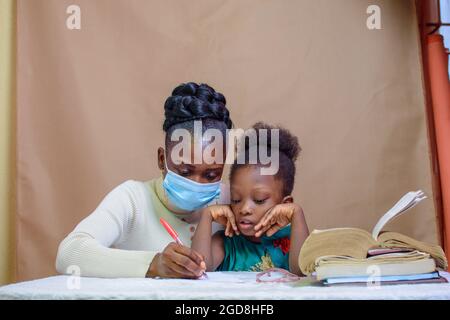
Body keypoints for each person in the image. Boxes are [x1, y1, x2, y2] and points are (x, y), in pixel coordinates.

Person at [56, 82, 233, 278]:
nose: (197, 183)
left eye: (211, 175)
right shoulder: (133, 199)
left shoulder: (232, 201)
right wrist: (153, 263)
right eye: (184, 171)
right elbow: (69, 253)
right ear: (161, 159)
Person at [191, 123, 309, 275]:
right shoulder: (227, 242)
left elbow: (302, 272)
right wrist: (207, 216)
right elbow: (198, 267)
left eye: (259, 200)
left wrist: (296, 214)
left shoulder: (292, 239)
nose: (244, 209)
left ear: (285, 204)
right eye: (236, 199)